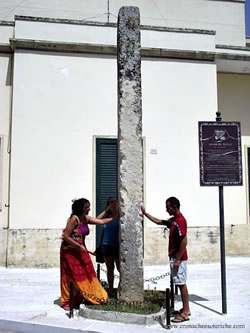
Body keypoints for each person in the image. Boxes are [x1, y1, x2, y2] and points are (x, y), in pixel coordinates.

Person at [60, 198, 118, 310]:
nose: (89, 209)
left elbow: (100, 221)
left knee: (88, 272)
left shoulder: (85, 219)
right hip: (69, 252)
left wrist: (114, 217)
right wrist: (78, 246)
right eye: (87, 207)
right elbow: (66, 236)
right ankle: (70, 300)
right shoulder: (74, 219)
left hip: (81, 250)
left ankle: (93, 295)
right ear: (81, 208)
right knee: (73, 275)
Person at [141, 197, 191, 323]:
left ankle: (185, 312)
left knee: (181, 283)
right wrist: (145, 213)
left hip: (179, 258)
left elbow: (184, 241)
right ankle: (185, 309)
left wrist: (177, 260)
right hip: (174, 257)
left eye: (168, 207)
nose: (166, 210)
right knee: (179, 282)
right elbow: (159, 221)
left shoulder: (180, 221)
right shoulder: (173, 221)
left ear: (174, 207)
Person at [97, 197, 120, 296]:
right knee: (110, 269)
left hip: (118, 245)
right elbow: (97, 220)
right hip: (106, 245)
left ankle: (120, 289)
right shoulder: (107, 216)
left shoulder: (121, 215)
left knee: (120, 269)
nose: (113, 203)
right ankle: (110, 289)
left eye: (115, 202)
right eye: (111, 202)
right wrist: (107, 210)